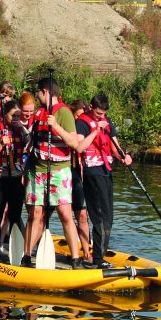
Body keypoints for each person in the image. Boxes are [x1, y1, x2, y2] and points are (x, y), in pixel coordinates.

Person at [22, 77, 83, 268]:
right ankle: (25, 255)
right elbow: (34, 144)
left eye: (39, 93)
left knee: (65, 213)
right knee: (35, 214)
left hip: (59, 171)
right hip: (37, 170)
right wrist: (25, 170)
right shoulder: (39, 112)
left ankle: (75, 258)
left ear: (45, 92)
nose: (38, 96)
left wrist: (55, 126)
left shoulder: (64, 112)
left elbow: (75, 144)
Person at [75, 94, 133, 268]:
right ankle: (98, 260)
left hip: (106, 171)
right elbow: (79, 146)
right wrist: (95, 130)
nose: (101, 117)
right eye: (98, 113)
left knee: (108, 218)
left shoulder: (107, 121)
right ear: (91, 108)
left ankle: (100, 256)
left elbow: (115, 144)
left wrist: (123, 156)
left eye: (103, 114)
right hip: (92, 173)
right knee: (99, 218)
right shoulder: (82, 123)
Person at [0, 102, 28, 261]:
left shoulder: (21, 130)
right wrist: (1, 143)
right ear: (4, 115)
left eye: (18, 116)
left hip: (16, 178)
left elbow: (29, 145)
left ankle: (23, 253)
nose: (16, 119)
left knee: (16, 216)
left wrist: (23, 130)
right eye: (13, 116)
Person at [68, 99, 93, 264]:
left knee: (82, 214)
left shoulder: (83, 129)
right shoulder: (68, 128)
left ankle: (86, 251)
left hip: (77, 174)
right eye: (78, 117)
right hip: (61, 172)